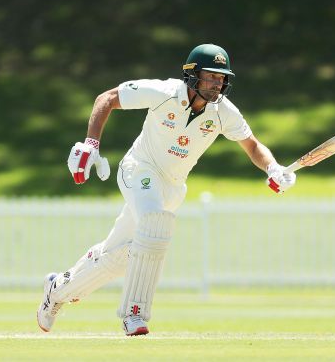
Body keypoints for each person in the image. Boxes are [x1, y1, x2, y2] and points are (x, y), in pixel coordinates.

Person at [36, 43, 297, 336]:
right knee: (155, 228)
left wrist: (273, 168)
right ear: (192, 75)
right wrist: (91, 143)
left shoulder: (223, 111)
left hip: (173, 188)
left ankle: (57, 289)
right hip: (140, 170)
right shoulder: (163, 93)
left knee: (120, 256)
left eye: (221, 78)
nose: (217, 84)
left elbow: (252, 145)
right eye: (210, 76)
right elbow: (106, 98)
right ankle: (134, 314)